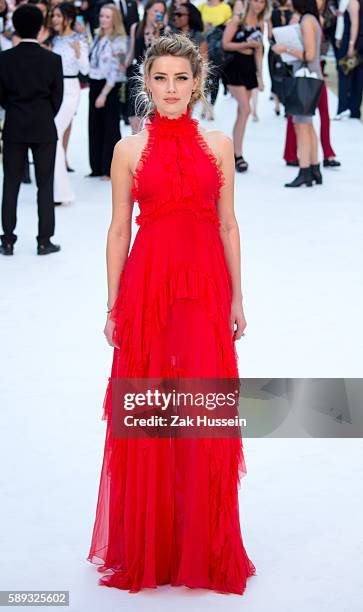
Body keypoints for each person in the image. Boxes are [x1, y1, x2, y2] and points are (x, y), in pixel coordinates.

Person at [86, 32, 256, 594]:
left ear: (198, 82)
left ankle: (201, 544)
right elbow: (116, 229)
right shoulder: (128, 151)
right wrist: (114, 304)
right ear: (146, 84)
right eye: (160, 78)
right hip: (149, 287)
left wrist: (237, 295)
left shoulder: (218, 145)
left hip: (206, 288)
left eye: (181, 78)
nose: (171, 89)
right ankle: (151, 545)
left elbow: (228, 223)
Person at [0, 3, 63, 256]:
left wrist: (16, 110)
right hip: (43, 126)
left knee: (10, 184)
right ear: (41, 28)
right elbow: (57, 97)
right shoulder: (52, 60)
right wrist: (44, 114)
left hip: (15, 125)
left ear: (15, 27)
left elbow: (1, 97)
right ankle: (44, 240)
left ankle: (7, 239)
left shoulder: (4, 59)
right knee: (45, 185)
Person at [273, 0, 323, 187]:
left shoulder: (307, 21)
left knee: (301, 125)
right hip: (311, 76)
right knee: (307, 125)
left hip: (305, 77)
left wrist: (284, 49)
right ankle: (314, 168)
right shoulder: (311, 19)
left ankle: (305, 172)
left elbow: (309, 55)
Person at [222, 0, 267, 172]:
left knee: (243, 113)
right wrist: (246, 44)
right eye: (256, 1)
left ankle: (236, 152)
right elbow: (226, 44)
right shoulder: (237, 20)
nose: (258, 5)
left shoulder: (260, 23)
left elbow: (259, 51)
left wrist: (260, 76)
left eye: (262, 2)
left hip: (249, 68)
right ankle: (237, 153)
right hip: (235, 67)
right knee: (246, 108)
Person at [51, 2, 89, 204]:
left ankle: (62, 192)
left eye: (58, 15)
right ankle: (57, 189)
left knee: (54, 134)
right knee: (52, 136)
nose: (55, 19)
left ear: (68, 17)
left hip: (71, 89)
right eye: (53, 15)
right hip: (52, 89)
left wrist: (77, 52)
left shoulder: (79, 39)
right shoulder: (54, 39)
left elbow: (86, 68)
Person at [88, 3, 128, 179]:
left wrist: (104, 93)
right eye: (102, 16)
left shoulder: (119, 40)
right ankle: (96, 167)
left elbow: (117, 69)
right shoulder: (98, 35)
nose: (103, 19)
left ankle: (108, 168)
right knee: (95, 126)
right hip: (95, 83)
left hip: (110, 86)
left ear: (114, 19)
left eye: (107, 17)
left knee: (110, 127)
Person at [125, 0, 167, 133]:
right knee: (135, 122)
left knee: (153, 123)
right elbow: (132, 51)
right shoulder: (136, 27)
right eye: (156, 11)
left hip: (156, 78)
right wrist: (123, 64)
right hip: (136, 75)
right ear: (147, 10)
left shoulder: (165, 30)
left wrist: (157, 37)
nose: (158, 15)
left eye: (161, 12)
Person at [198, 0, 233, 119]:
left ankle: (211, 107)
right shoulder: (201, 7)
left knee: (215, 77)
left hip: (218, 50)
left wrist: (217, 28)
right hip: (203, 48)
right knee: (203, 77)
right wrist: (204, 26)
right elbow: (196, 27)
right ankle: (203, 106)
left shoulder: (225, 8)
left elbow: (230, 26)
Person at [335, 0, 363, 119]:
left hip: (352, 41)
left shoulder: (353, 2)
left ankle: (343, 108)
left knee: (345, 73)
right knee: (358, 76)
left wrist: (351, 45)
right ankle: (354, 109)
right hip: (360, 42)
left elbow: (354, 23)